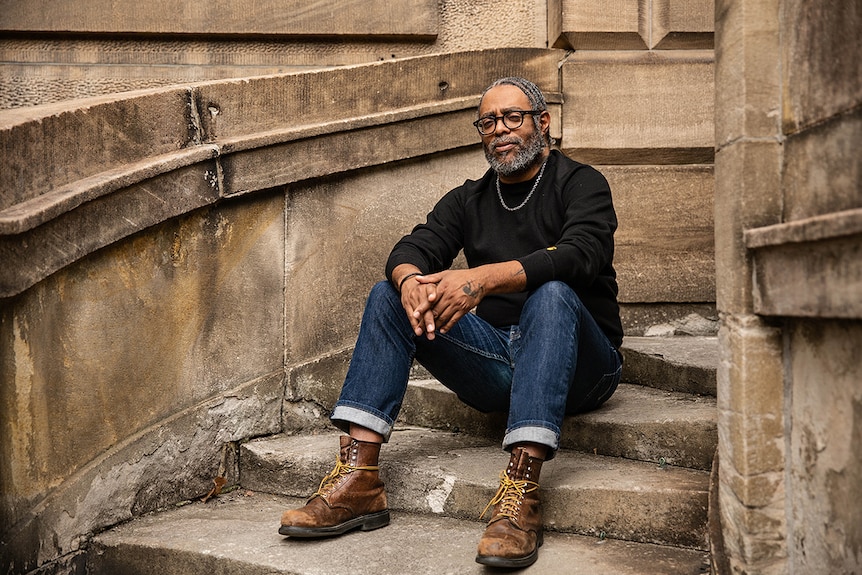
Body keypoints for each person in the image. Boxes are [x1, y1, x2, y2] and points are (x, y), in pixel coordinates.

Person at [278, 77, 624, 569]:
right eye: (488, 122)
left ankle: (519, 496)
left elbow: (581, 254)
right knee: (390, 293)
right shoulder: (469, 198)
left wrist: (482, 279)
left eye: (513, 117)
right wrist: (412, 281)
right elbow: (409, 249)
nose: (500, 129)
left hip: (585, 366)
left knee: (551, 295)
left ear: (543, 123)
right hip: (499, 363)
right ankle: (360, 480)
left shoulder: (581, 183)